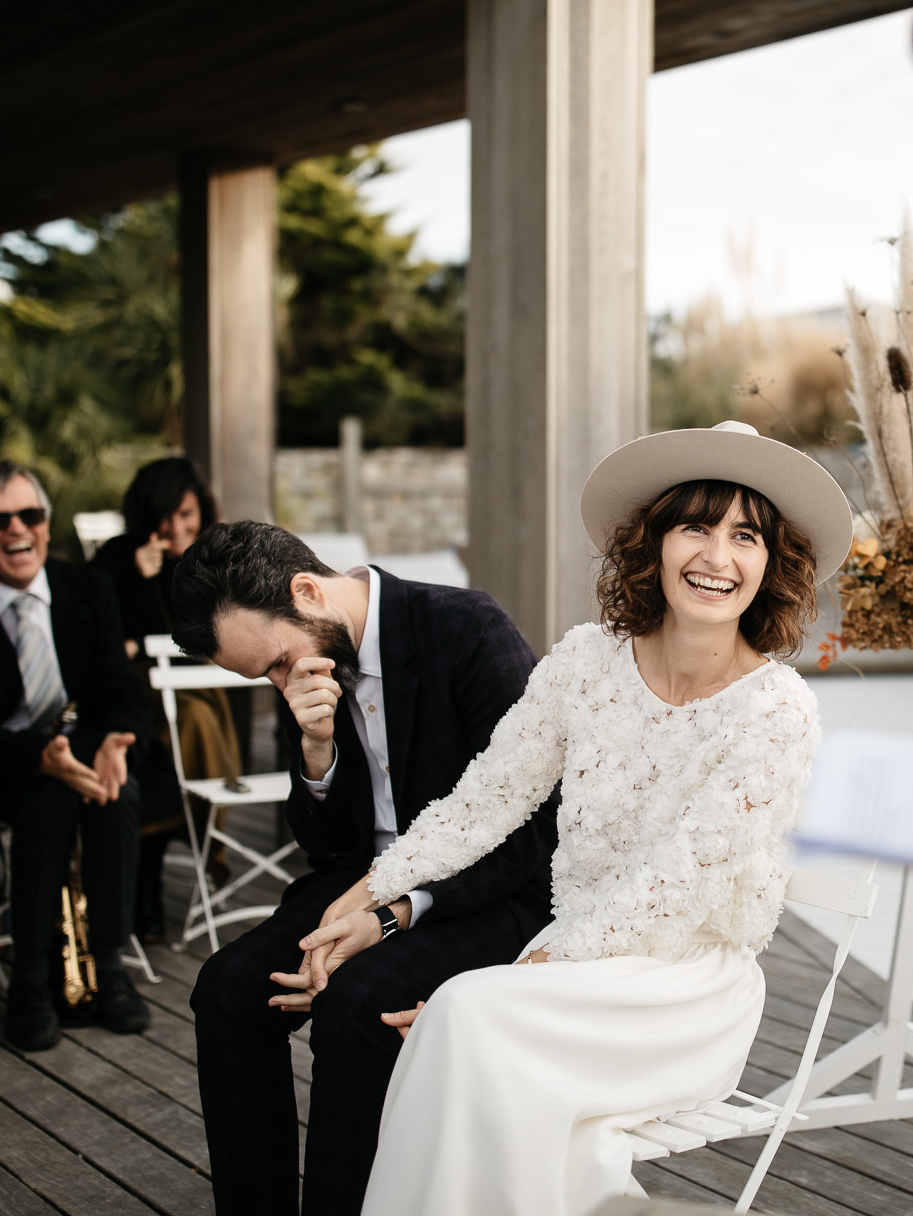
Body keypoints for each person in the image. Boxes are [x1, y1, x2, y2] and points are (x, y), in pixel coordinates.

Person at [303, 420, 851, 1216]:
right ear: (653, 541)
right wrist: (368, 895)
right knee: (468, 1027)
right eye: (694, 525)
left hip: (683, 988)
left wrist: (518, 986)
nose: (717, 558)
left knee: (463, 1015)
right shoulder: (588, 661)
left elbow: (669, 894)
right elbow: (486, 797)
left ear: (771, 565)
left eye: (746, 536)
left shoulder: (778, 712)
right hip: (572, 962)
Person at [169, 520, 562, 1216]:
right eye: (262, 674)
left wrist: (389, 913)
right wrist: (316, 752)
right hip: (356, 882)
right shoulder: (304, 658)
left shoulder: (464, 628)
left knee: (356, 1007)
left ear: (307, 590)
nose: (279, 680)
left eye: (278, 663)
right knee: (227, 991)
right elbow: (325, 848)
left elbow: (530, 830)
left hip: (484, 893)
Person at [0, 461, 156, 1050]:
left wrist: (119, 743)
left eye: (30, 515)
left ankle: (109, 968)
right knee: (48, 800)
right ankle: (30, 981)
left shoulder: (87, 587)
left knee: (118, 794)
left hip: (86, 747)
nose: (17, 530)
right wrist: (38, 756)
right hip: (0, 761)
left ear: (46, 521)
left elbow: (122, 691)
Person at [90, 456, 228, 938]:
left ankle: (168, 861)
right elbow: (106, 634)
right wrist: (136, 577)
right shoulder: (116, 558)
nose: (175, 528)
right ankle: (154, 870)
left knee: (197, 721)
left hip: (200, 685)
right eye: (165, 517)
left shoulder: (212, 560)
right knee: (185, 729)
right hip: (135, 690)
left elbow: (208, 635)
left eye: (186, 515)